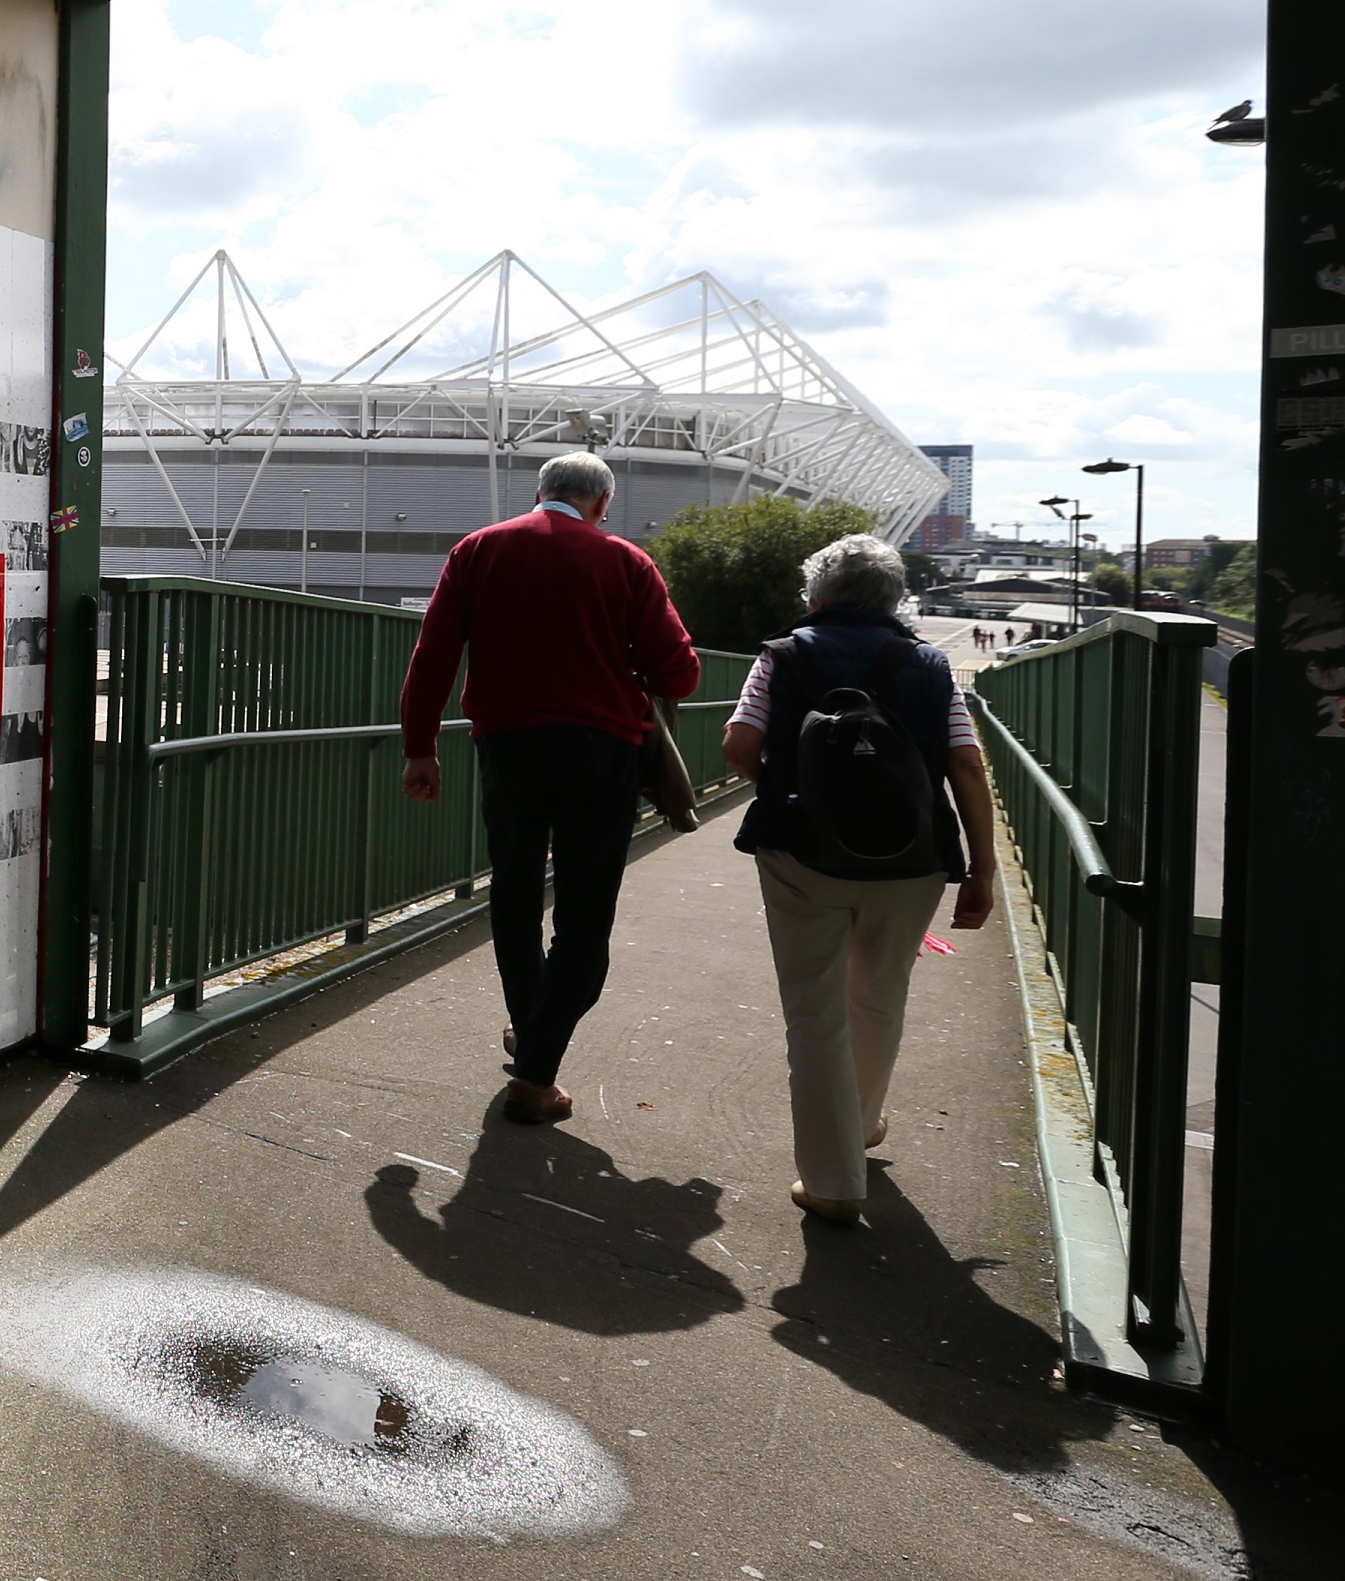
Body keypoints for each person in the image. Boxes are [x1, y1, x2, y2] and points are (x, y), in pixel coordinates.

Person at [398, 450, 701, 1124]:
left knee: (512, 889)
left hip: (505, 747)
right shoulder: (624, 561)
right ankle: (534, 1074)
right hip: (601, 753)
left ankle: (526, 1025)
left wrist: (420, 748)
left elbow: (433, 653)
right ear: (600, 503)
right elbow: (678, 673)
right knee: (584, 913)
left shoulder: (477, 550)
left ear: (538, 493)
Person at [720, 532, 999, 1226]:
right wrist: (980, 867)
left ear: (815, 595)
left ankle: (832, 1179)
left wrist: (794, 793)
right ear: (894, 597)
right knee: (878, 996)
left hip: (799, 856)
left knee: (813, 1014)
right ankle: (864, 1120)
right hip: (911, 859)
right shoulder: (930, 665)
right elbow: (965, 764)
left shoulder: (780, 657)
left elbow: (738, 743)